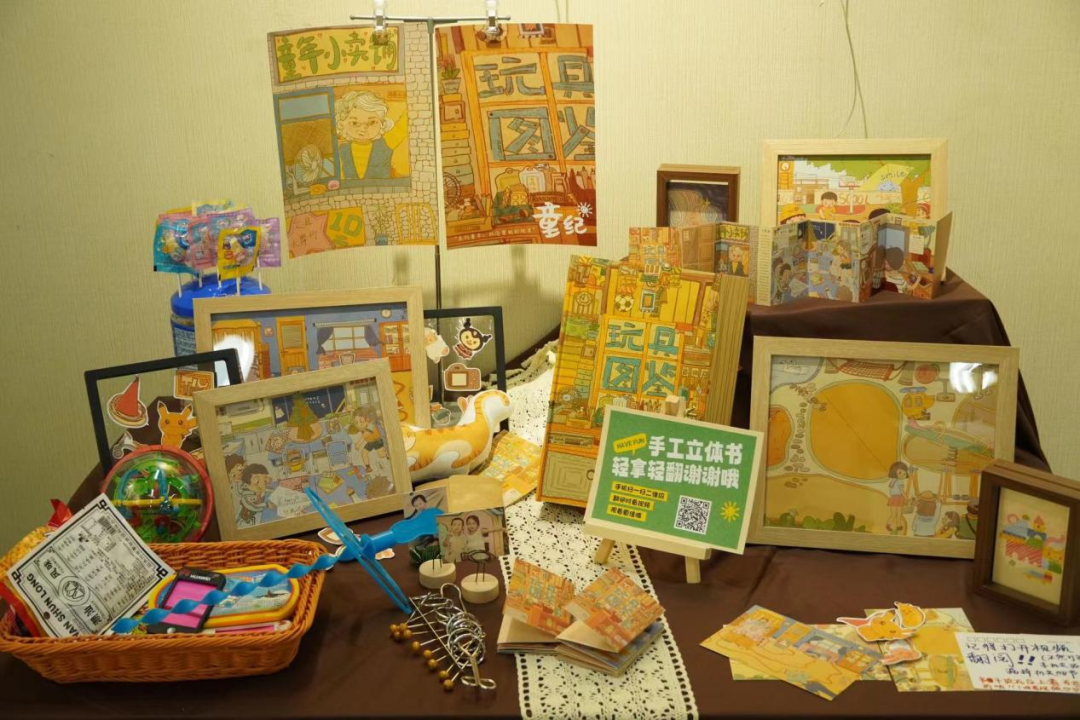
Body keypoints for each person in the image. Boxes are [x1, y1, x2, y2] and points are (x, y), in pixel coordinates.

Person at [335, 90, 409, 181]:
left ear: (382, 124)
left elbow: (403, 124)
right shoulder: (343, 149)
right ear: (342, 125)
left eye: (372, 122)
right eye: (354, 123)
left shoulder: (386, 144)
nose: (363, 129)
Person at [886, 461, 909, 535]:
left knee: (894, 514)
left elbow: (891, 489)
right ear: (894, 472)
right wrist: (906, 498)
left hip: (893, 498)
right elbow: (902, 491)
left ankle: (891, 525)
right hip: (898, 498)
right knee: (898, 514)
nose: (902, 475)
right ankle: (897, 525)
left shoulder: (893, 480)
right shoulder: (900, 482)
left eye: (904, 473)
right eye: (900, 473)